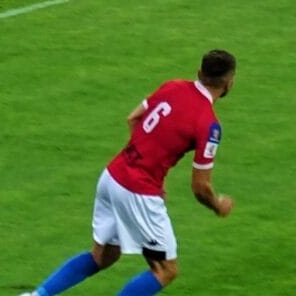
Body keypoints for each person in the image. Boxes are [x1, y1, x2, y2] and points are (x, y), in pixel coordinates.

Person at [20, 50, 237, 296]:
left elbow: (134, 118)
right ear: (230, 82)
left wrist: (141, 157)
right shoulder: (209, 125)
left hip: (112, 176)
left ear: (199, 73)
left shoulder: (172, 86)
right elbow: (200, 187)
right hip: (139, 191)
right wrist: (218, 206)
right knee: (165, 269)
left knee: (103, 256)